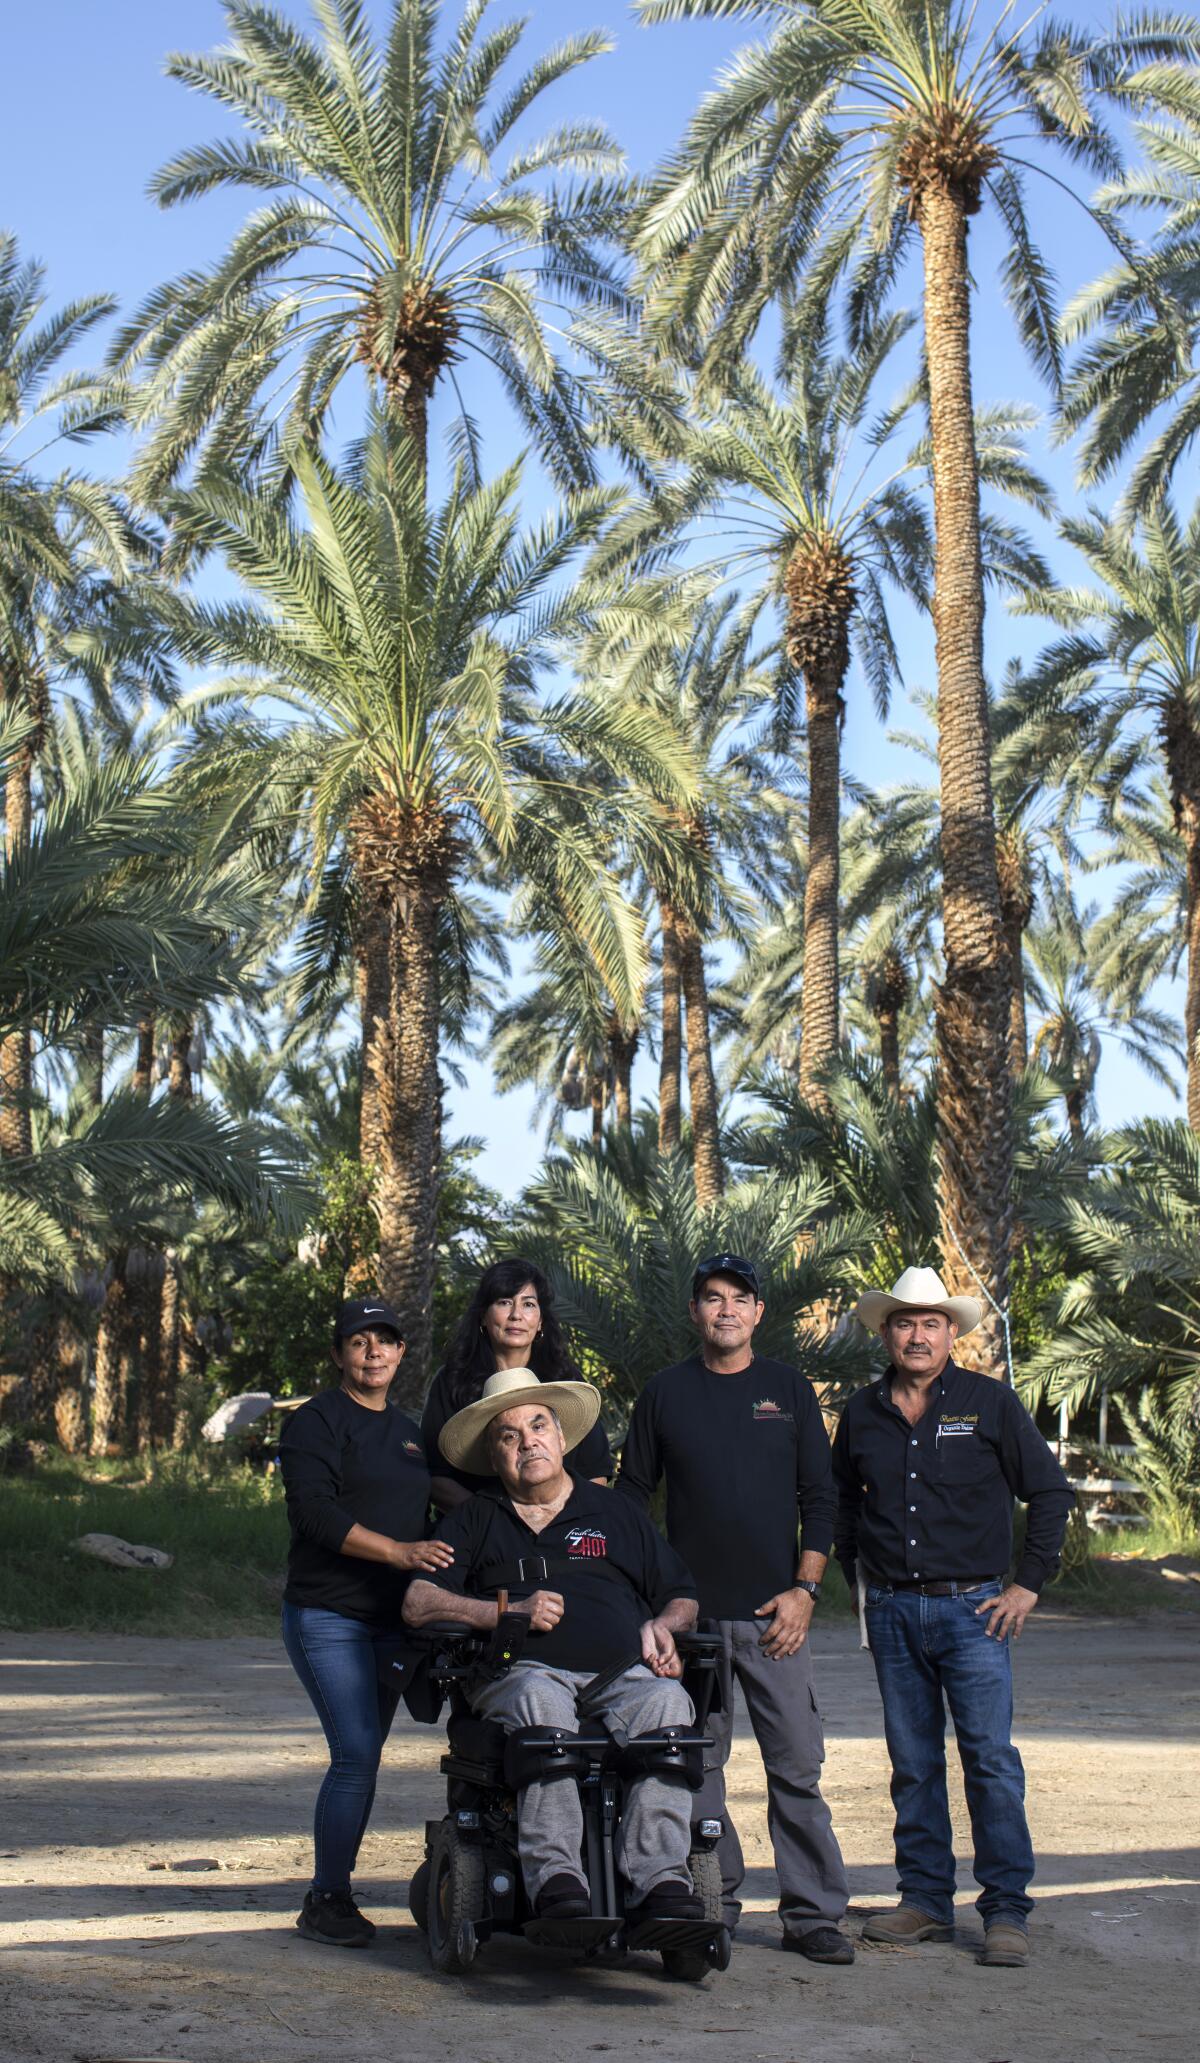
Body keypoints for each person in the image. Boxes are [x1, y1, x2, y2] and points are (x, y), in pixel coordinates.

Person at [833, 1265, 1074, 1969]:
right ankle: (927, 1901)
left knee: (990, 1762)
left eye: (931, 1322)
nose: (917, 1334)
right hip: (893, 1612)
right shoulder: (861, 1412)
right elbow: (841, 1499)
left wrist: (1027, 1584)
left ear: (952, 1333)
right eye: (904, 1321)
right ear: (885, 1331)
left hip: (977, 1611)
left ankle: (1004, 1909)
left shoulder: (990, 1402)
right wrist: (854, 1574)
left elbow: (1050, 1493)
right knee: (912, 1763)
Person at [403, 1367, 705, 1923]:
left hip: (621, 1675)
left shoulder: (616, 1514)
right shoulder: (472, 1520)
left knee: (667, 1707)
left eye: (538, 1426)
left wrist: (664, 1624)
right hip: (521, 1674)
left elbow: (681, 1595)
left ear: (562, 1437)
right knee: (541, 1705)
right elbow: (418, 1602)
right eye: (509, 1436)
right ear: (493, 1457)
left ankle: (661, 1881)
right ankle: (558, 1881)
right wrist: (502, 1611)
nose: (528, 1442)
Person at [617, 1253, 852, 1963]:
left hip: (775, 1618)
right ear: (695, 1311)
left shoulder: (789, 1389)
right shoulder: (664, 1394)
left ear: (757, 1312)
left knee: (797, 1767)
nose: (725, 1309)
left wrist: (805, 1591)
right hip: (692, 1623)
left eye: (739, 1298)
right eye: (712, 1298)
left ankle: (813, 1913)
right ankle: (710, 1901)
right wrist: (650, 1600)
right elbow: (631, 1498)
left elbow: (822, 1497)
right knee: (696, 1768)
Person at [279, 1297, 453, 1949]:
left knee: (365, 1756)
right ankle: (326, 1898)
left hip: (389, 1622)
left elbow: (434, 1507)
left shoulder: (409, 1433)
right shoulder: (315, 1422)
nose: (373, 1351)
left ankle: (334, 1885)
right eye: (359, 1341)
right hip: (327, 1615)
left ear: (401, 1352)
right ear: (339, 1353)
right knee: (353, 1753)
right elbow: (315, 1515)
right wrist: (400, 1553)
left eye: (385, 1340)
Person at [423, 1256, 611, 1511]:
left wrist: (561, 1522)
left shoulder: (566, 1379)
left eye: (529, 1304)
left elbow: (595, 1471)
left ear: (541, 1320)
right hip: (479, 1532)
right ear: (482, 1317)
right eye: (504, 1302)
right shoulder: (452, 1381)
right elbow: (436, 1476)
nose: (516, 1315)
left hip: (562, 1531)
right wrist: (496, 1523)